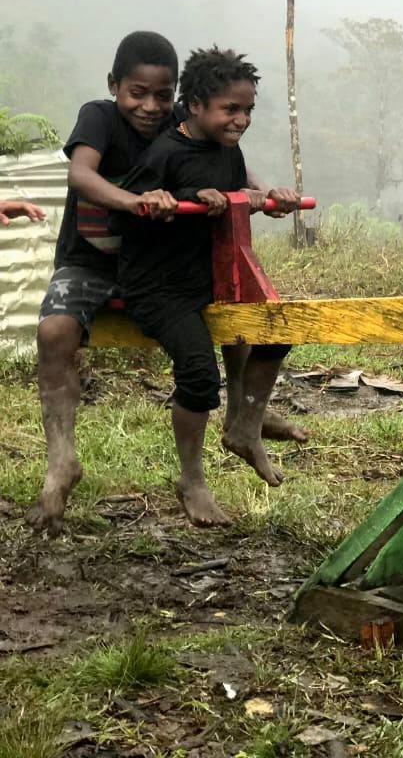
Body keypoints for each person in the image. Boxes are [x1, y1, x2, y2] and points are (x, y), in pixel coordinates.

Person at [27, 33, 304, 538]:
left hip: (169, 261)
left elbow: (233, 170)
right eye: (137, 93)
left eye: (162, 94)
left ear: (180, 95)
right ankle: (60, 460)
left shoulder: (191, 125)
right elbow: (81, 176)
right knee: (54, 333)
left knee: (244, 316)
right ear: (114, 87)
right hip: (93, 259)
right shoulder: (100, 117)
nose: (150, 106)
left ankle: (244, 420)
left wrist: (264, 196)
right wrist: (135, 202)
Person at [114, 47, 299, 527]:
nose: (241, 120)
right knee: (198, 375)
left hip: (208, 280)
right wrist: (179, 198)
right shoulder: (165, 153)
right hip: (158, 288)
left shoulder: (227, 152)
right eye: (231, 110)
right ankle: (191, 479)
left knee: (278, 329)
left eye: (248, 110)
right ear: (194, 105)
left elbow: (241, 190)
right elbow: (133, 209)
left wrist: (265, 197)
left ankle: (245, 427)